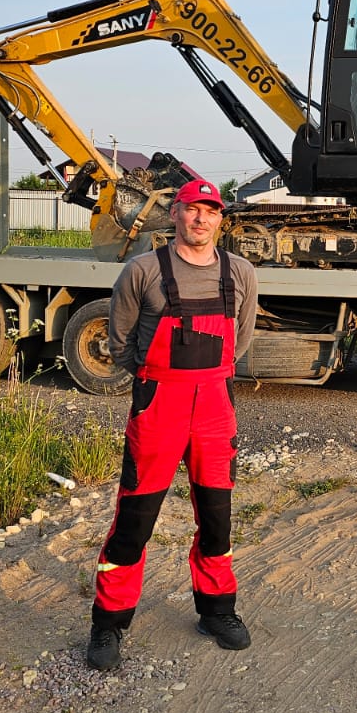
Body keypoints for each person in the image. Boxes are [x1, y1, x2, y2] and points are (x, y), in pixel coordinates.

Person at [87, 177, 258, 671]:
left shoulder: (240, 272)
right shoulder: (141, 270)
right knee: (134, 521)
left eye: (210, 210)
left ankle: (218, 611)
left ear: (221, 220)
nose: (200, 218)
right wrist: (154, 380)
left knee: (217, 518)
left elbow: (240, 339)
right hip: (159, 404)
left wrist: (208, 376)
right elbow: (119, 341)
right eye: (191, 209)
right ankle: (109, 623)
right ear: (175, 214)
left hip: (214, 406)